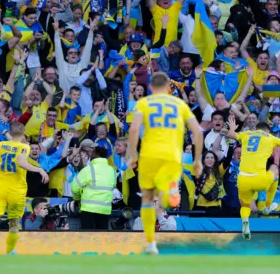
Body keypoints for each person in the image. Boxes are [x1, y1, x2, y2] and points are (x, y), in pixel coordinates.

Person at [127, 72, 203, 255]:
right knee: (165, 195)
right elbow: (198, 133)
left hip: (149, 155)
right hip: (172, 155)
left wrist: (131, 155)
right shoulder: (180, 104)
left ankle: (151, 244)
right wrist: (198, 160)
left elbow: (135, 128)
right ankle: (171, 192)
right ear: (169, 87)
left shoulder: (143, 103)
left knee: (146, 198)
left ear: (151, 87)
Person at [223, 115, 280, 241]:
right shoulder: (271, 137)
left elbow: (231, 134)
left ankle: (245, 221)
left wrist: (232, 127)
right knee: (275, 168)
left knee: (245, 206)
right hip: (259, 179)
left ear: (256, 129)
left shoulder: (247, 134)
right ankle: (267, 207)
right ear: (267, 131)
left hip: (242, 179)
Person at [0, 122, 49, 254]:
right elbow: (21, 162)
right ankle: (9, 251)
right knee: (14, 224)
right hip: (16, 191)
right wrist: (40, 170)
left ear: (10, 133)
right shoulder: (24, 147)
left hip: (0, 188)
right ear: (23, 134)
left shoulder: (0, 145)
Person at [71, 146, 117, 230]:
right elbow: (113, 186)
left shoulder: (88, 169)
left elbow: (74, 187)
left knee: (87, 239)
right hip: (105, 210)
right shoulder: (112, 170)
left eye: (92, 153)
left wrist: (77, 199)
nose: (90, 155)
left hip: (88, 210)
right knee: (101, 239)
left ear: (95, 154)